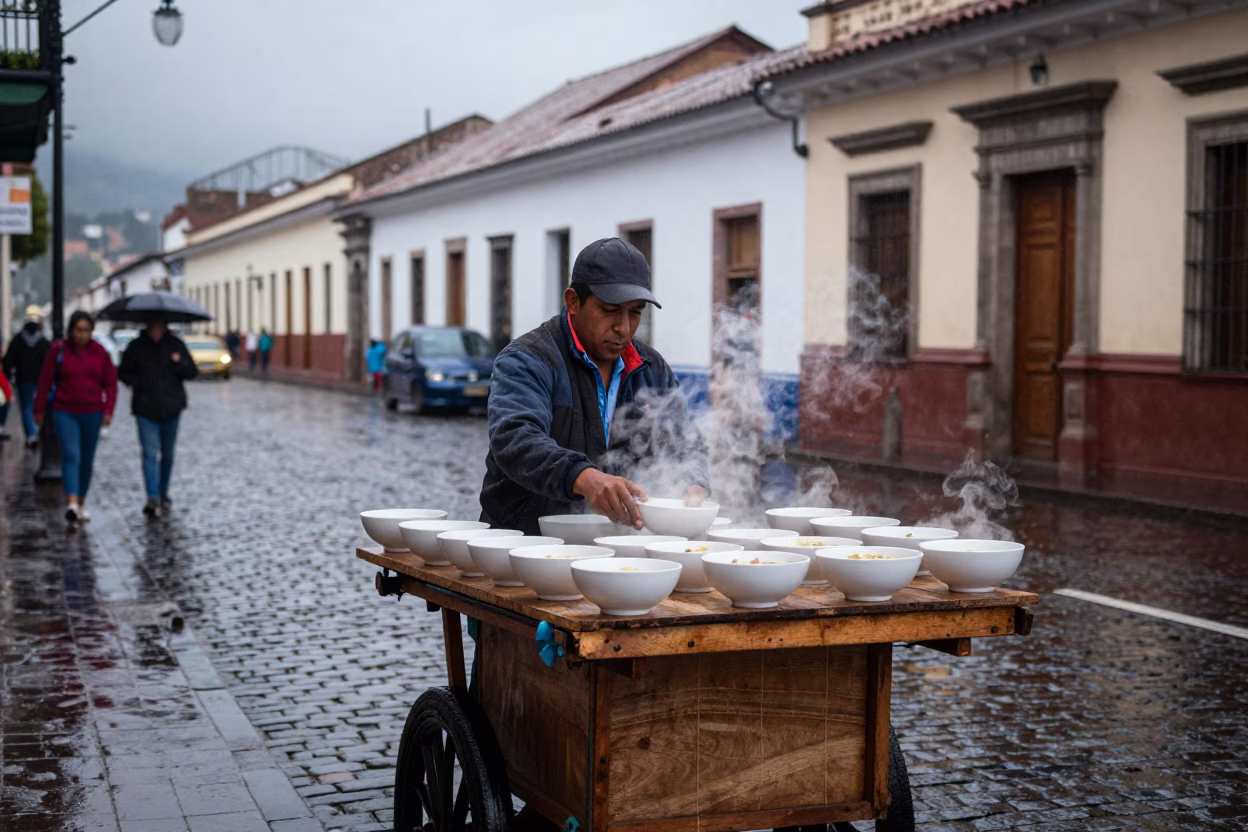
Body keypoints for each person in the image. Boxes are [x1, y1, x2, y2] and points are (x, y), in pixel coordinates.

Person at [480, 237, 708, 535]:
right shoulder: (527, 360)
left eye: (636, 312)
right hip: (523, 545)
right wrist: (584, 477)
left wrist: (694, 480)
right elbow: (515, 439)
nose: (624, 327)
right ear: (573, 301)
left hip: (616, 549)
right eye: (610, 310)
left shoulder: (652, 369)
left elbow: (685, 443)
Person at [34, 310, 117, 525]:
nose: (82, 335)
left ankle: (81, 500)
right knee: (71, 454)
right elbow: (45, 380)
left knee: (87, 458)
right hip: (65, 410)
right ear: (71, 330)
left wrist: (108, 410)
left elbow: (110, 383)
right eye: (78, 330)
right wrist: (39, 409)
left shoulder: (100, 353)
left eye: (86, 330)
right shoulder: (58, 350)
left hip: (92, 411)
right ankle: (71, 501)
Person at [118, 320, 198, 516]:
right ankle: (152, 497)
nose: (156, 329)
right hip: (145, 409)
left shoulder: (175, 345)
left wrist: (178, 362)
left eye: (159, 326)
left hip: (171, 408)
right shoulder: (136, 347)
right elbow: (123, 372)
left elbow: (191, 372)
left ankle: (163, 491)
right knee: (149, 453)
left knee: (168, 455)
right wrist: (139, 383)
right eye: (153, 326)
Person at [3, 305, 51, 449]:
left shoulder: (18, 340)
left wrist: (9, 375)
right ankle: (35, 433)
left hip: (24, 380)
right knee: (37, 406)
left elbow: (8, 361)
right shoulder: (44, 342)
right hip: (38, 380)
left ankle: (31, 434)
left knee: (26, 408)